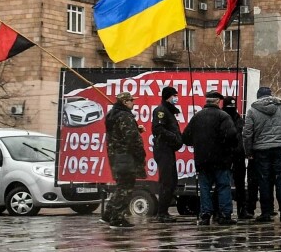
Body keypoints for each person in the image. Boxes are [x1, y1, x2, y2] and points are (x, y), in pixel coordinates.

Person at [243, 86, 281, 222]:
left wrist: (248, 151)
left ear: (258, 96)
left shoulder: (252, 111)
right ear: (271, 95)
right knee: (279, 179)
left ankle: (266, 213)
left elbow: (247, 133)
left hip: (261, 150)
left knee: (264, 180)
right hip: (278, 149)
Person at [182, 90, 240, 225]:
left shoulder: (197, 117)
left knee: (204, 188)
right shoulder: (223, 116)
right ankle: (225, 215)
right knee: (223, 187)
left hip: (202, 160)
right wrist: (227, 148)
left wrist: (198, 143)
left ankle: (205, 215)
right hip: (221, 160)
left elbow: (185, 138)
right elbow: (232, 136)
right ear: (218, 102)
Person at [102, 91, 144, 228]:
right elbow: (131, 138)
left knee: (120, 186)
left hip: (115, 155)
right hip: (126, 156)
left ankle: (108, 214)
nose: (134, 102)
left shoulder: (112, 115)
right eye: (131, 100)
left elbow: (118, 134)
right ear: (125, 102)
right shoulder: (125, 116)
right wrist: (140, 154)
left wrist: (136, 130)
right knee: (126, 187)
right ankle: (118, 218)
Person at [151, 85, 183, 222]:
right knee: (167, 181)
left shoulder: (169, 111)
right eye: (173, 96)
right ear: (167, 96)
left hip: (169, 149)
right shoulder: (161, 111)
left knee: (172, 181)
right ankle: (161, 213)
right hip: (163, 149)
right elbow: (158, 129)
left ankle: (164, 211)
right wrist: (173, 137)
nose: (176, 98)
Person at [221, 96, 252, 219]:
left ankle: (241, 210)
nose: (231, 109)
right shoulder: (222, 118)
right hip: (225, 155)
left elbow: (243, 136)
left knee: (239, 185)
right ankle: (221, 211)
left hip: (238, 156)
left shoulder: (239, 119)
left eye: (233, 107)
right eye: (229, 106)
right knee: (222, 184)